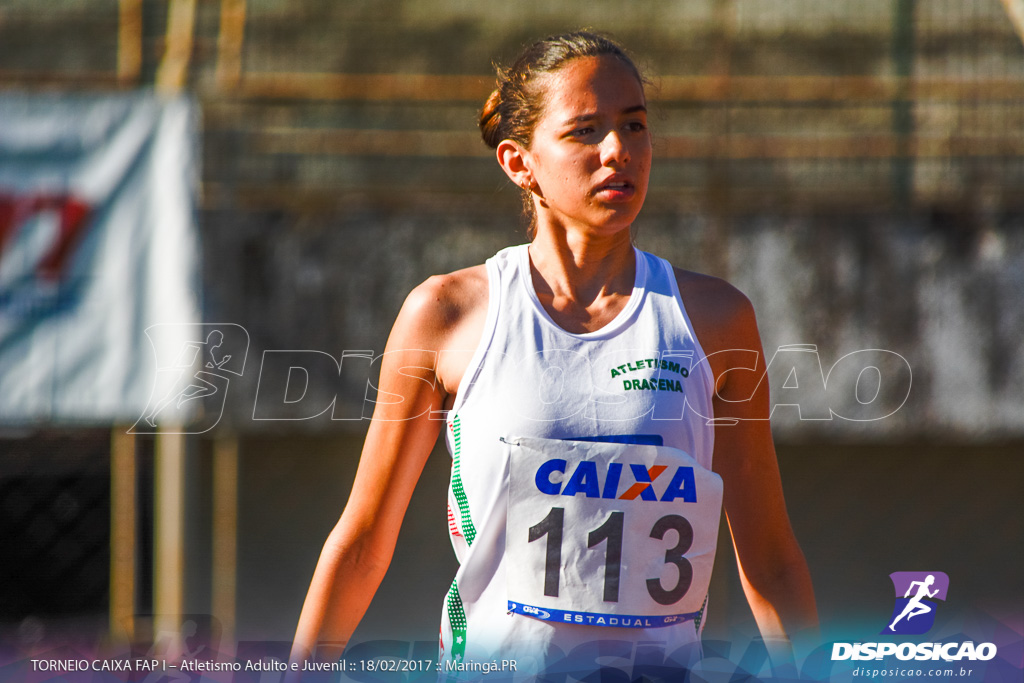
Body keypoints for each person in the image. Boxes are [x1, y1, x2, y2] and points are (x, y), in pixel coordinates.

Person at [290, 31, 817, 678]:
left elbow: (768, 556)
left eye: (635, 125)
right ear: (520, 162)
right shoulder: (447, 315)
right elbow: (364, 541)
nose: (618, 150)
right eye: (584, 131)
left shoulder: (716, 320)